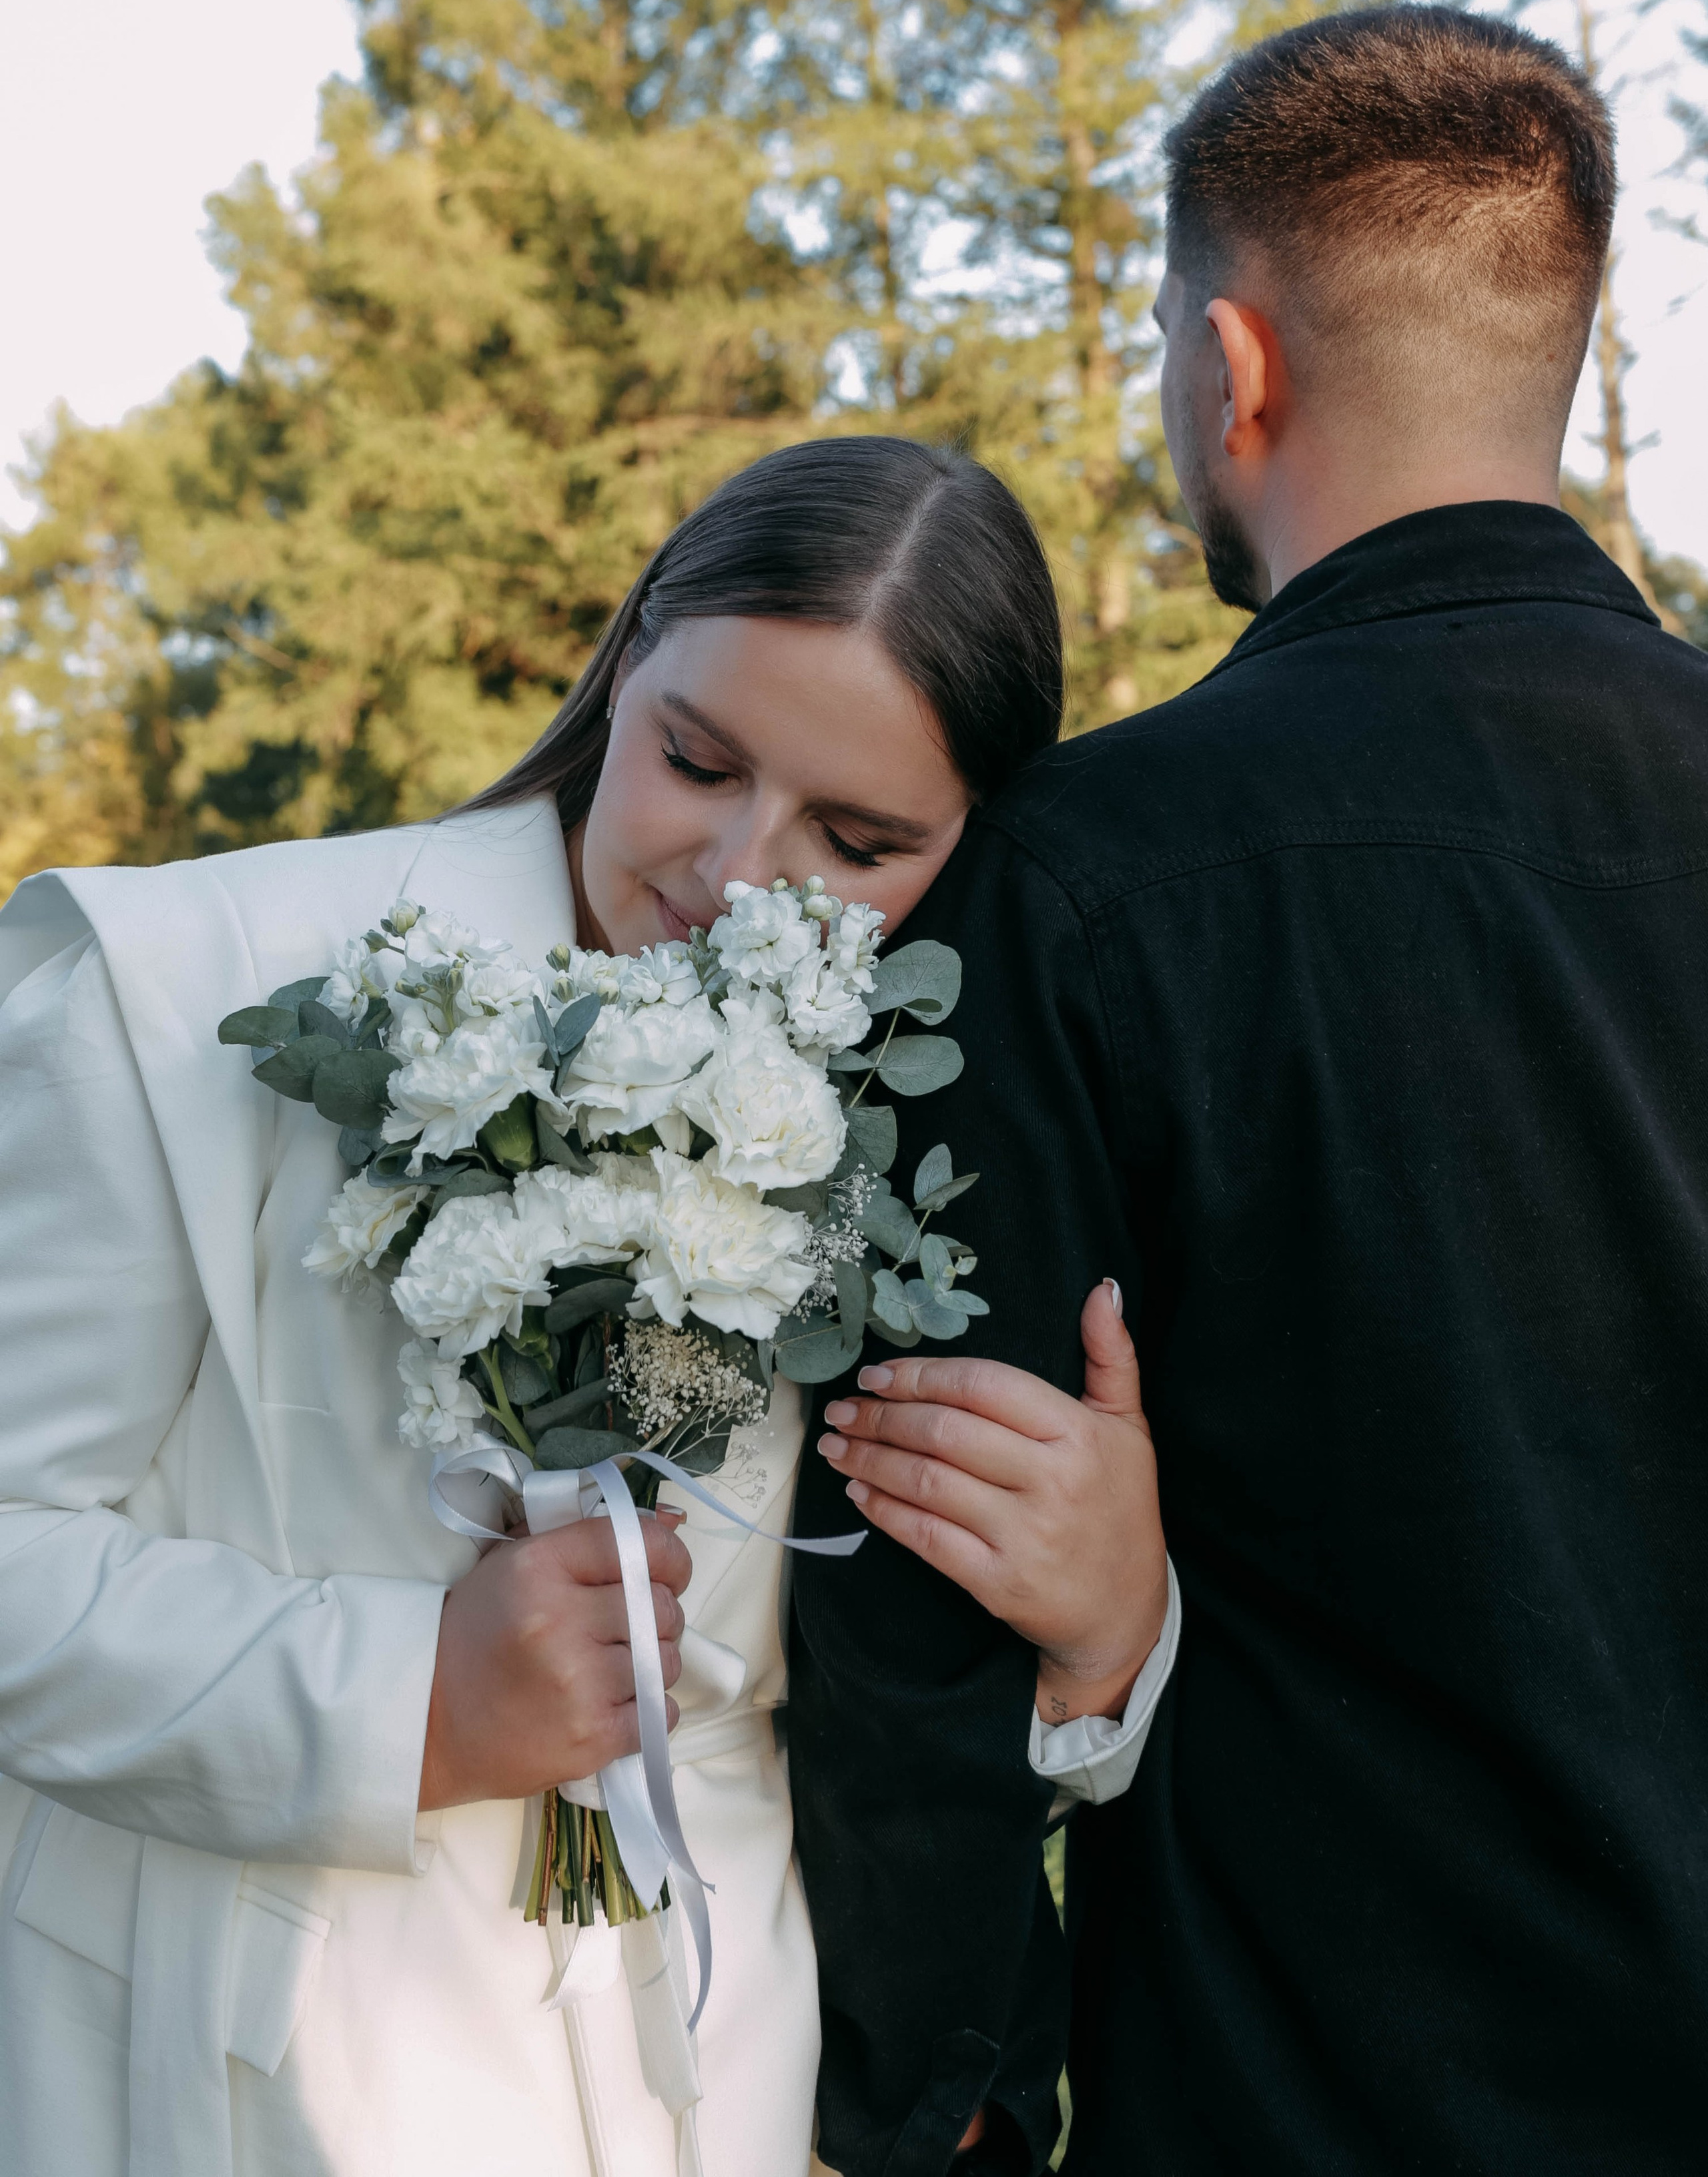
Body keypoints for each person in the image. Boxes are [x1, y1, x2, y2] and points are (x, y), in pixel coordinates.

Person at [0, 434, 1174, 2177]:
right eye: (698, 761)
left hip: (726, 2078)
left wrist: (1109, 1631)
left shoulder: (934, 1137)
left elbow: (882, 1719)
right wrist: (407, 1701)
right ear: (629, 664)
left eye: (859, 841)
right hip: (250, 2080)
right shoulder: (184, 989)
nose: (741, 873)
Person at [793, 7, 1708, 2176]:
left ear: (1231, 367)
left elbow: (916, 1590)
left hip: (1302, 2100)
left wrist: (940, 2111)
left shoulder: (1081, 879)